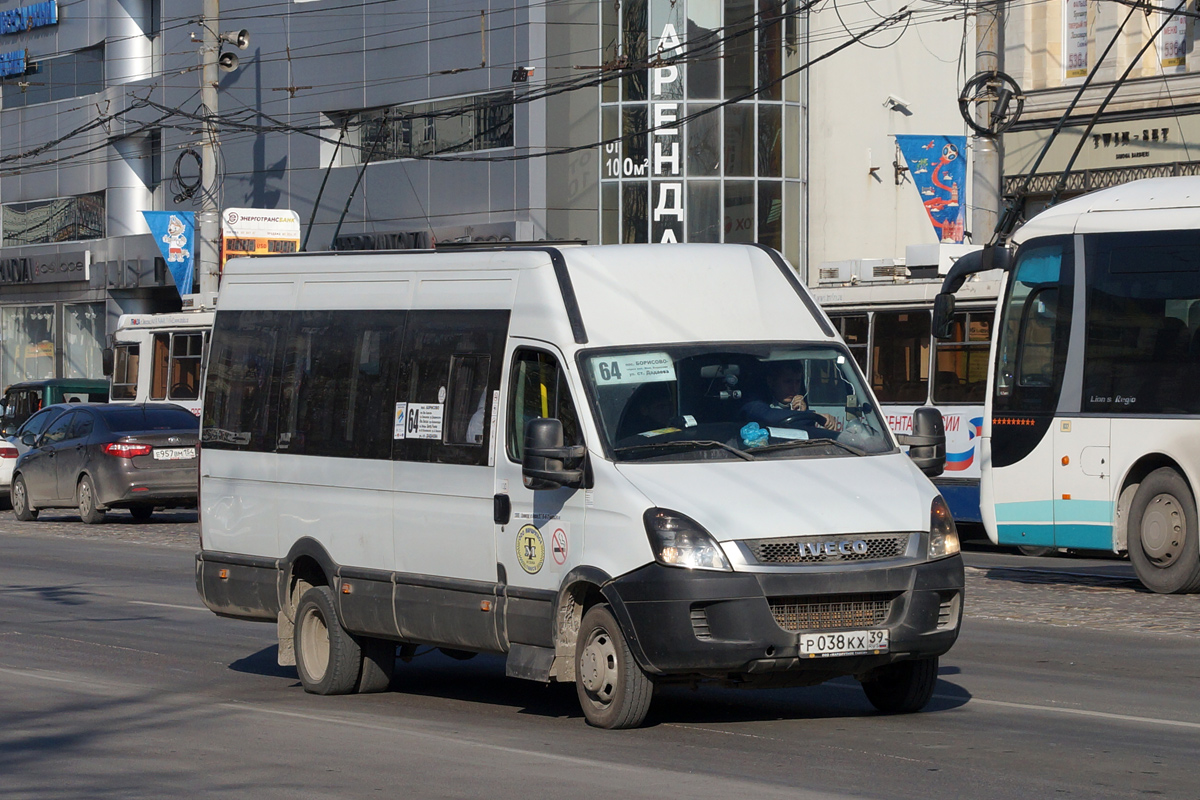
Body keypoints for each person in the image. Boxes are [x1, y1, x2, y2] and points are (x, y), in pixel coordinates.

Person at [742, 361, 836, 429]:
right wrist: (811, 415)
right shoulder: (753, 402)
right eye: (788, 382)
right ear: (771, 381)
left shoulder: (799, 406)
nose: (794, 388)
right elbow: (767, 416)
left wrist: (802, 412)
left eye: (797, 382)